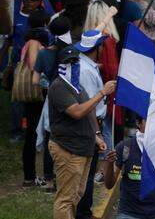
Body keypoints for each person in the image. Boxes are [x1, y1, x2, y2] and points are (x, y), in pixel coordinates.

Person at [49, 46, 116, 219]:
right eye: (68, 63)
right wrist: (102, 92)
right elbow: (77, 111)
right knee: (66, 199)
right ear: (61, 66)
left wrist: (97, 136)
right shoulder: (59, 87)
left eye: (75, 61)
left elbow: (88, 113)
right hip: (68, 149)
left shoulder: (77, 87)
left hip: (83, 148)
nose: (73, 65)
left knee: (77, 195)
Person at [102, 114, 155, 219]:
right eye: (148, 121)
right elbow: (109, 184)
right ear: (138, 123)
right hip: (128, 213)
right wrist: (110, 164)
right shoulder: (124, 147)